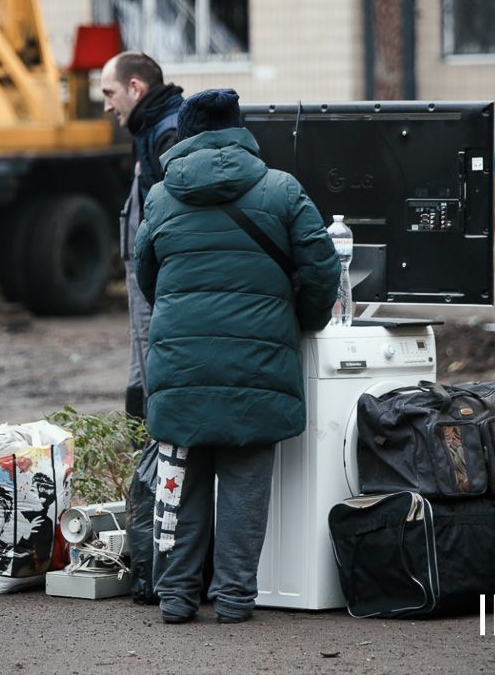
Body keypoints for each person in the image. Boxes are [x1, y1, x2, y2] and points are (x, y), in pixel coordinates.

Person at [133, 88, 340, 625]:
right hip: (258, 361)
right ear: (238, 129)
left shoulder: (159, 196)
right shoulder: (281, 189)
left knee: (187, 478)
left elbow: (146, 275)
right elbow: (322, 270)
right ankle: (235, 600)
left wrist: (182, 317)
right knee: (246, 480)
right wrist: (304, 321)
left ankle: (177, 597)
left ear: (187, 133)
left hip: (182, 362)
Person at [99, 51, 183, 420]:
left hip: (160, 281)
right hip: (146, 280)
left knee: (155, 353)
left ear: (135, 88)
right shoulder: (150, 128)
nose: (105, 106)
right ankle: (143, 435)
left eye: (109, 93)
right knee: (143, 354)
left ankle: (157, 446)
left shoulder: (168, 133)